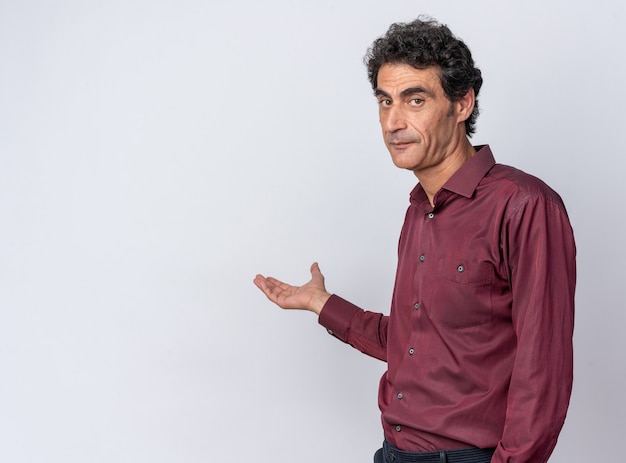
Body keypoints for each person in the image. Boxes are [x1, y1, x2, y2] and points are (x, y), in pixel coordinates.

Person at [254, 17, 576, 463]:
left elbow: (544, 370)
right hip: (393, 453)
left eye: (415, 100)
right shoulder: (418, 210)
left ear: (462, 104)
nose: (392, 122)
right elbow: (417, 342)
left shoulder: (523, 205)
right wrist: (321, 303)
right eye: (385, 101)